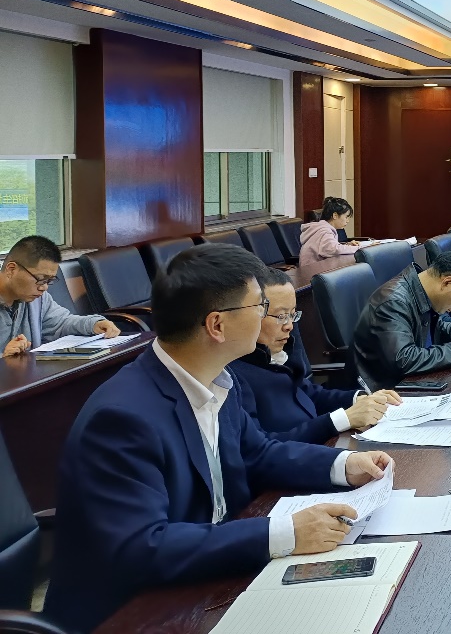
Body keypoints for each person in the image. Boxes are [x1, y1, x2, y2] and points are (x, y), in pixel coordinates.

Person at [45, 243, 393, 633]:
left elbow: (258, 453)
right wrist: (284, 533)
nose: (268, 316)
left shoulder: (220, 379)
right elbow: (142, 547)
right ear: (217, 325)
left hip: (209, 578)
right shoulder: (122, 417)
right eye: (260, 306)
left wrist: (344, 465)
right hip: (133, 611)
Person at [232, 269, 400, 444]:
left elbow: (309, 394)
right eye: (281, 316)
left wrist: (359, 398)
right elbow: (262, 448)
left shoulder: (276, 353)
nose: (289, 326)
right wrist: (342, 419)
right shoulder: (235, 377)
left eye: (292, 315)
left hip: (321, 448)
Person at [353, 249, 451, 390]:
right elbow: (404, 360)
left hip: (413, 383)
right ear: (447, 282)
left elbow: (438, 328)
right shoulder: (393, 302)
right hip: (385, 392)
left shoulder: (421, 290)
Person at [1, 235, 119, 356]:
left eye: (49, 281)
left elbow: (61, 323)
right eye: (40, 279)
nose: (44, 287)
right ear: (11, 270)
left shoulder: (37, 299)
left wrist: (94, 324)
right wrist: (3, 356)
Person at [299, 196, 360, 267]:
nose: (348, 221)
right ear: (335, 215)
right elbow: (334, 250)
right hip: (312, 269)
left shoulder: (323, 228)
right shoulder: (324, 231)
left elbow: (331, 246)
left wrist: (347, 245)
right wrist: (359, 249)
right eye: (346, 217)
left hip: (318, 267)